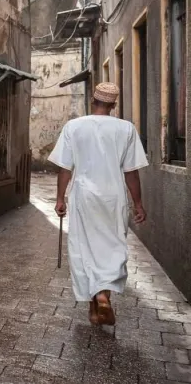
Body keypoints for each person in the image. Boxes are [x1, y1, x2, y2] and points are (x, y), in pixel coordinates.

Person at [48, 82, 148, 326]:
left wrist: (60, 198)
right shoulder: (126, 129)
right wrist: (138, 204)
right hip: (114, 198)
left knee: (85, 247)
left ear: (93, 100)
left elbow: (65, 168)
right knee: (112, 246)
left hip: (84, 196)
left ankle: (97, 300)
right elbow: (131, 172)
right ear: (114, 105)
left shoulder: (74, 126)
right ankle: (103, 298)